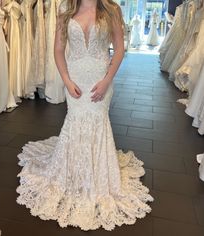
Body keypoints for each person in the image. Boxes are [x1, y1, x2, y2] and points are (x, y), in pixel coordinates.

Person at [16, 0, 153, 231]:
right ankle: (73, 171)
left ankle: (98, 175)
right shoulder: (65, 9)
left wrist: (107, 80)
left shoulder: (111, 9)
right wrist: (67, 81)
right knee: (75, 121)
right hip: (76, 80)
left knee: (98, 122)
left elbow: (119, 49)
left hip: (101, 80)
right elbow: (58, 50)